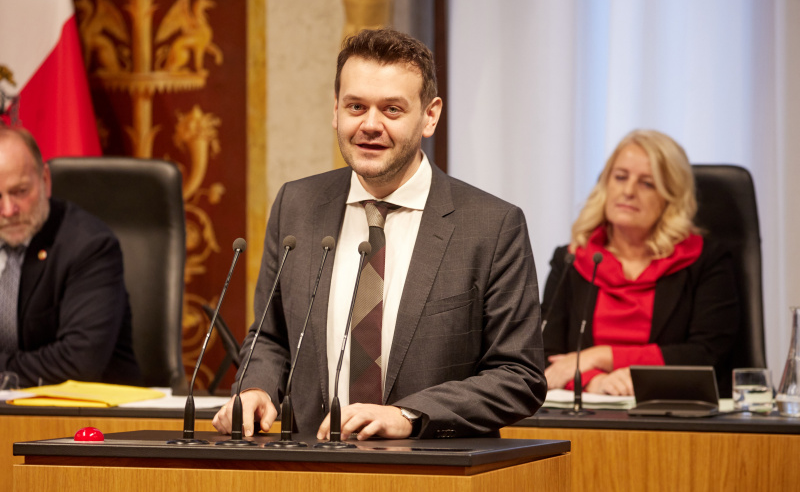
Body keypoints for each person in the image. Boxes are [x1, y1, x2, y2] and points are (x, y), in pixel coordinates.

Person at [213, 28, 545, 440]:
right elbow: (271, 334)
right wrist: (257, 386)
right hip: (306, 467)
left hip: (434, 475)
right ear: (335, 110)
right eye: (356, 106)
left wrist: (408, 415)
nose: (370, 125)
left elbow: (519, 375)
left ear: (430, 115)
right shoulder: (295, 205)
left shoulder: (491, 226)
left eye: (392, 110)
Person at [542, 129, 740, 396]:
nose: (628, 191)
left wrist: (602, 356)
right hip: (587, 412)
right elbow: (545, 353)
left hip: (671, 412)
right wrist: (592, 381)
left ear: (671, 197)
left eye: (647, 183)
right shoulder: (572, 259)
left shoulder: (704, 260)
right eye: (620, 177)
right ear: (606, 185)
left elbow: (706, 355)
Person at [0, 126, 140, 387]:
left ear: (45, 180)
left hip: (95, 417)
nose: (8, 210)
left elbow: (79, 362)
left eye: (20, 191)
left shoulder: (90, 246)